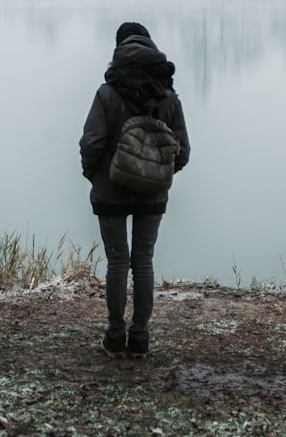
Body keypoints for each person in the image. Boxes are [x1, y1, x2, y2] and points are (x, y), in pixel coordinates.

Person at [79, 22, 190, 359]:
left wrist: (94, 175)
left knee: (117, 262)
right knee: (143, 261)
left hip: (110, 191)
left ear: (118, 51)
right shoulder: (168, 97)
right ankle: (139, 338)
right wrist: (159, 175)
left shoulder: (106, 94)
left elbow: (92, 143)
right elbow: (182, 151)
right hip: (152, 195)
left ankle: (115, 337)